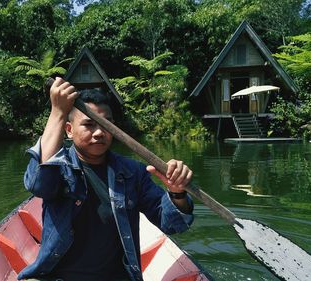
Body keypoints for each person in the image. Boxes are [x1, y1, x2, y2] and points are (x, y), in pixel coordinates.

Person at [19, 77, 194, 281]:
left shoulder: (133, 172)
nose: (100, 133)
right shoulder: (60, 167)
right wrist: (57, 111)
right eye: (88, 125)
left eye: (107, 125)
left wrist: (177, 192)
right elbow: (38, 184)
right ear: (69, 130)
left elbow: (172, 225)